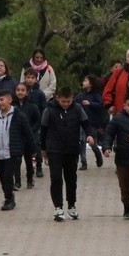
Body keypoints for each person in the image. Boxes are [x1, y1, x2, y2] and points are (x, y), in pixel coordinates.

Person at [42, 86, 97, 221]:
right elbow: (43, 131)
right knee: (56, 178)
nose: (66, 104)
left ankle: (71, 205)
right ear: (57, 98)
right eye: (63, 101)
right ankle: (58, 207)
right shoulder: (49, 110)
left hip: (72, 149)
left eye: (68, 101)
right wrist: (43, 149)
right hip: (54, 149)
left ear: (72, 98)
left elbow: (87, 124)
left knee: (71, 179)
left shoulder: (78, 109)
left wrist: (90, 135)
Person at [0, 90, 36, 211]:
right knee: (2, 177)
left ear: (10, 100)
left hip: (13, 152)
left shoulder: (19, 116)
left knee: (8, 176)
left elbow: (28, 133)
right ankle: (8, 195)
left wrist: (33, 149)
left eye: (2, 99)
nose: (0, 103)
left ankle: (9, 199)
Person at [12, 82, 41, 189]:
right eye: (18, 90)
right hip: (16, 137)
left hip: (29, 137)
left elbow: (38, 121)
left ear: (27, 92)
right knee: (16, 160)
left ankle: (30, 179)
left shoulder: (32, 106)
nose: (20, 92)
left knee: (28, 160)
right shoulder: (12, 107)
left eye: (22, 90)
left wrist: (31, 131)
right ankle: (17, 181)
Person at [75, 75, 105, 171]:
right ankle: (83, 162)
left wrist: (90, 104)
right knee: (81, 141)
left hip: (92, 123)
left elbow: (101, 105)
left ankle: (97, 153)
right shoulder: (80, 95)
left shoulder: (96, 95)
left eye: (86, 80)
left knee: (92, 143)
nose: (83, 82)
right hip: (81, 122)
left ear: (91, 83)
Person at [22, 67, 48, 177]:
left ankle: (39, 167)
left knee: (37, 145)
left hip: (37, 123)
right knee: (26, 147)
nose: (30, 80)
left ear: (36, 79)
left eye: (32, 78)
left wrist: (42, 122)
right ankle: (29, 168)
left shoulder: (40, 93)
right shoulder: (22, 91)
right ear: (25, 78)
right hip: (24, 122)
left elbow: (44, 108)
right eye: (28, 77)